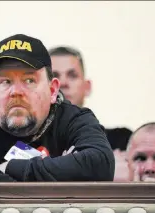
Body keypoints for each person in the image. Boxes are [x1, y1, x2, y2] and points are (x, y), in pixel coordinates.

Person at [0, 34, 114, 182]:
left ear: (53, 90)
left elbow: (100, 165)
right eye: (5, 82)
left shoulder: (73, 119)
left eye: (29, 81)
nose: (16, 92)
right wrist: (58, 170)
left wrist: (9, 168)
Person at [48, 46, 132, 181]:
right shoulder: (27, 142)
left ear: (87, 87)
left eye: (72, 75)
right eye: (55, 76)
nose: (63, 83)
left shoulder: (120, 141)